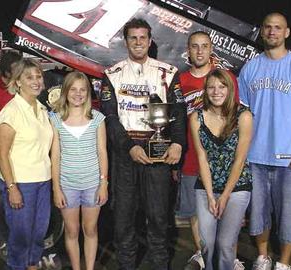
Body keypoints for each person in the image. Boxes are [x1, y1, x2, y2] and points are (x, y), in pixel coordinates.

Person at [100, 18, 186, 270]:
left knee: (159, 218)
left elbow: (179, 113)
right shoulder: (112, 75)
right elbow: (110, 118)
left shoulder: (168, 73)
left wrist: (178, 144)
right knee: (123, 220)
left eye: (142, 38)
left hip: (157, 154)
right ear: (125, 41)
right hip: (125, 155)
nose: (138, 42)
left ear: (150, 41)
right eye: (132, 38)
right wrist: (129, 147)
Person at [238, 12, 291, 270]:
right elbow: (242, 114)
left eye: (277, 28)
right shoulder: (251, 68)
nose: (272, 32)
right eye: (268, 27)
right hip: (255, 157)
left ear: (286, 32)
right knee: (258, 214)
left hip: (289, 160)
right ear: (262, 31)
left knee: (288, 216)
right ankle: (263, 257)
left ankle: (284, 263)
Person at [175, 30, 242, 270]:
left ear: (211, 48)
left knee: (226, 209)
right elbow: (175, 122)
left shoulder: (227, 79)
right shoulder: (179, 81)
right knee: (197, 212)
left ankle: (228, 255)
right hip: (192, 158)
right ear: (188, 49)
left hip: (223, 160)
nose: (200, 51)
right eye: (195, 46)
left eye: (204, 46)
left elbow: (237, 120)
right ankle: (202, 254)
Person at [190, 69, 252, 270]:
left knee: (225, 244)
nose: (216, 91)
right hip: (206, 186)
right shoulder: (196, 117)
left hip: (236, 187)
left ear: (230, 89)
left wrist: (224, 196)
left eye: (221, 86)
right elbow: (202, 157)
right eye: (211, 87)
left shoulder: (244, 115)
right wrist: (210, 195)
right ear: (205, 91)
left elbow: (240, 160)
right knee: (207, 243)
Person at [0, 58, 53, 270]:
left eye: (38, 76)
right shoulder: (11, 111)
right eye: (29, 77)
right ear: (18, 81)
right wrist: (12, 188)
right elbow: (2, 153)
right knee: (21, 238)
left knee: (38, 234)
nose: (36, 81)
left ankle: (32, 266)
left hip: (43, 181)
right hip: (20, 183)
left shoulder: (42, 109)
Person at [50, 71, 108, 270]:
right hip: (67, 186)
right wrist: (56, 188)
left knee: (90, 229)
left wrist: (103, 183)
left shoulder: (98, 119)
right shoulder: (55, 119)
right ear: (65, 92)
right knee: (72, 231)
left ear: (88, 93)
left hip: (92, 184)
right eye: (73, 89)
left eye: (82, 90)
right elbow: (55, 156)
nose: (78, 94)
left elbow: (102, 153)